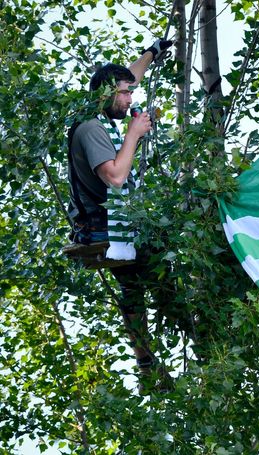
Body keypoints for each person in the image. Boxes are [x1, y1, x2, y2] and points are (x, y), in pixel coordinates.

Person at [67, 39, 174, 393]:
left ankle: (150, 357)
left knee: (151, 281)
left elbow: (131, 77)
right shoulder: (91, 129)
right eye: (125, 94)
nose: (131, 99)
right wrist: (133, 134)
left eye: (131, 93)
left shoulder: (104, 112)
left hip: (124, 224)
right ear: (106, 93)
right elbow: (115, 176)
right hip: (104, 228)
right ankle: (147, 359)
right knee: (142, 286)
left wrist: (153, 52)